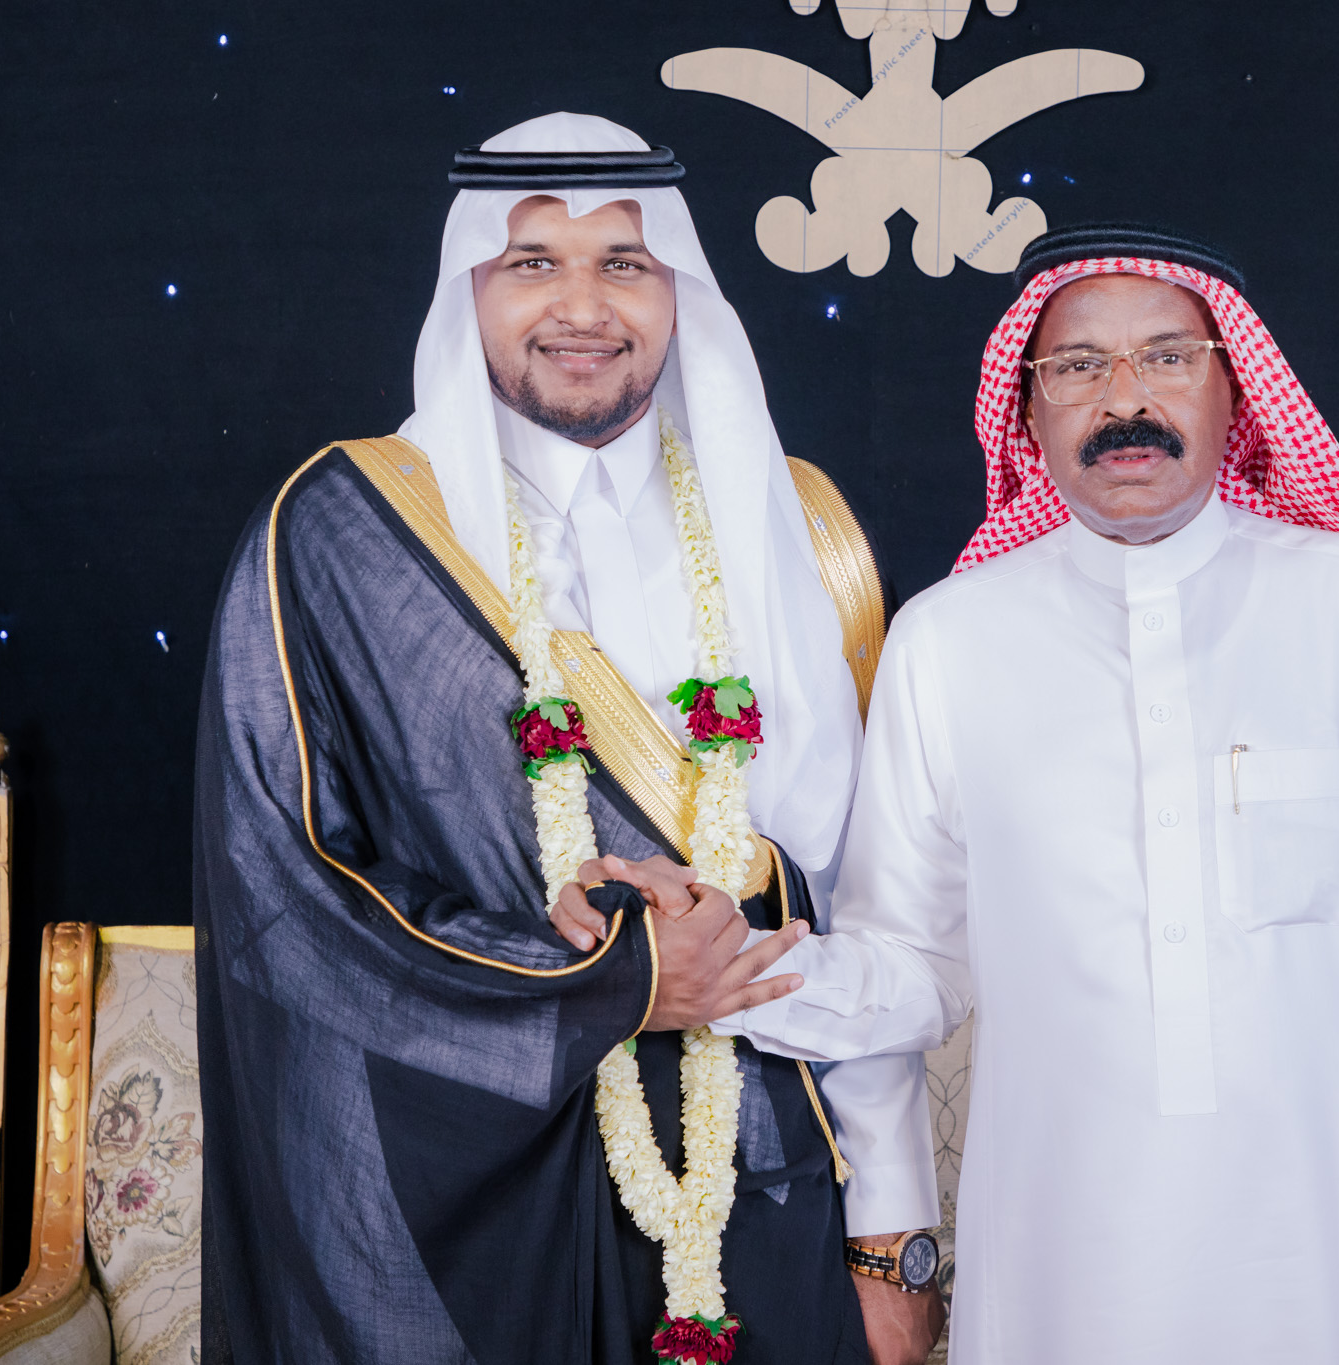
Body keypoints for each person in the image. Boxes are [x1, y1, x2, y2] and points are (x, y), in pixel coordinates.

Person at [562, 224, 1339, 1362]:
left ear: (1234, 389)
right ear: (1029, 409)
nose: (1124, 398)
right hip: (1067, 1276)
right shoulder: (950, 642)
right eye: (1079, 366)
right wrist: (726, 966)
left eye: (1168, 356)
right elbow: (912, 970)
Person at [193, 112, 939, 1364]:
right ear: (469, 289)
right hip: (469, 1204)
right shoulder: (340, 534)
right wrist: (612, 984)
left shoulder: (795, 530)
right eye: (532, 261)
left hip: (768, 1189)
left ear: (677, 290)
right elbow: (287, 904)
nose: (582, 307)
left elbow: (868, 916)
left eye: (623, 263)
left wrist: (890, 1242)